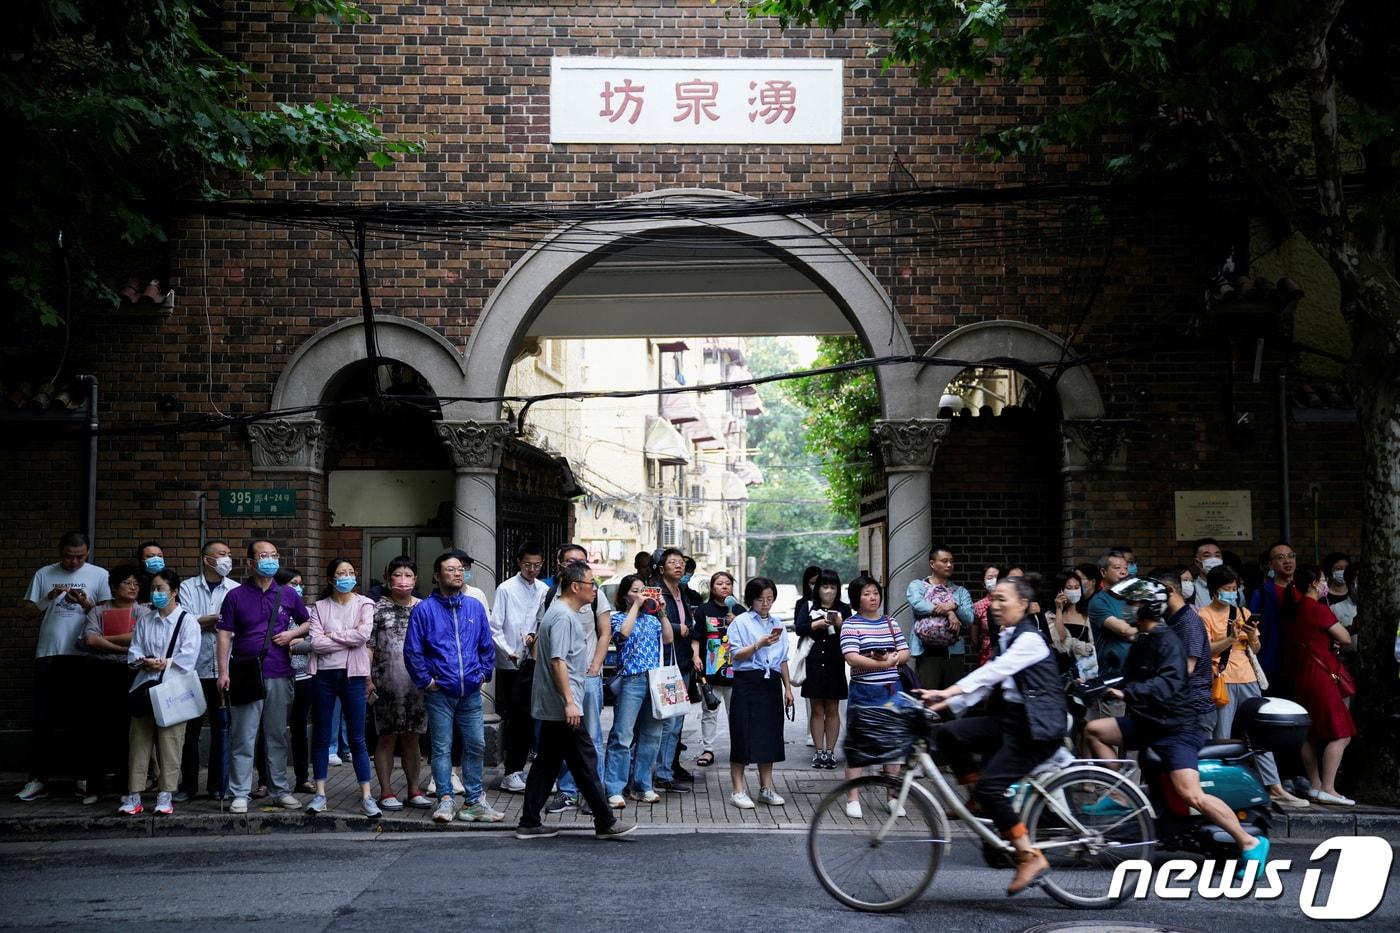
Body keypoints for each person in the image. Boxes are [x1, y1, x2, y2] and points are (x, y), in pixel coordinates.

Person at [1084, 578, 1271, 880]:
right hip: (1149, 723)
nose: (1127, 609)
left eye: (1131, 604)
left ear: (1147, 607)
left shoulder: (1167, 640)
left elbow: (1168, 683)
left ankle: (1249, 842)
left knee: (1191, 794)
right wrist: (1096, 685)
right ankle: (1121, 793)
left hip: (1175, 730)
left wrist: (1127, 694)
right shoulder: (1143, 639)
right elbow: (1132, 678)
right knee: (1095, 730)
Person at [919, 575, 1069, 896]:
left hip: (1036, 729)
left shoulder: (1031, 639)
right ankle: (977, 799)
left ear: (1024, 605)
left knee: (993, 786)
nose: (995, 605)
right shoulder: (1008, 637)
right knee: (948, 734)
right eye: (994, 598)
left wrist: (948, 690)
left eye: (1003, 599)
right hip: (1010, 721)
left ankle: (1028, 855)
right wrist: (943, 701)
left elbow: (992, 672)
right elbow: (985, 685)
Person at [515, 560, 637, 840]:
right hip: (563, 707)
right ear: (574, 587)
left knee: (548, 763)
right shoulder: (563, 616)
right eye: (590, 584)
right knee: (584, 761)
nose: (595, 589)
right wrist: (570, 701)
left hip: (558, 706)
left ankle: (530, 821)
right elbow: (558, 662)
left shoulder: (561, 614)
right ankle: (605, 820)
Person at [404, 550, 503, 824]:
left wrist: (483, 674)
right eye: (450, 569)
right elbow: (413, 651)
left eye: (460, 569)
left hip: (470, 691)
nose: (457, 573)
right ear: (437, 576)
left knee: (476, 745)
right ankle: (445, 799)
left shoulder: (473, 606)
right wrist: (427, 682)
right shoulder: (424, 610)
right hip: (440, 693)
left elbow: (486, 644)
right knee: (441, 747)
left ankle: (474, 802)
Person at [1199, 564, 1309, 809]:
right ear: (1215, 591)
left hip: (1248, 677)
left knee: (1261, 735)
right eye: (1227, 588)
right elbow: (1205, 651)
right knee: (1222, 736)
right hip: (1222, 680)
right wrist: (1229, 638)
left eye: (1234, 587)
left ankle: (1275, 787)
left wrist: (1251, 636)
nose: (1232, 592)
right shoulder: (1203, 615)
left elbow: (1255, 649)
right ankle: (1221, 789)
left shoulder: (1243, 611)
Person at [216, 539, 309, 814]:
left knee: (277, 734)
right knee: (244, 735)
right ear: (250, 563)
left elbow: (307, 622)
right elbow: (223, 634)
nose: (269, 559)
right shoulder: (235, 596)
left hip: (280, 671)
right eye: (263, 555)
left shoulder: (288, 594)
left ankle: (280, 790)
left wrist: (292, 634)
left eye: (273, 555)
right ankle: (240, 792)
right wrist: (223, 672)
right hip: (245, 672)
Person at [18, 531, 111, 802]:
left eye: (80, 557)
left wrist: (84, 602)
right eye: (68, 557)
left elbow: (108, 616)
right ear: (60, 553)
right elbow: (26, 614)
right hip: (49, 653)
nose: (73, 562)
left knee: (84, 719)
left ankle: (83, 777)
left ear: (88, 553)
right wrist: (49, 597)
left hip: (85, 655)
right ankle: (37, 779)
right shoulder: (44, 573)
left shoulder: (98, 575)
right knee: (43, 717)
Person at [537, 543, 612, 817]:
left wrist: (595, 665)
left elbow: (605, 633)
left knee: (587, 741)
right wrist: (567, 699)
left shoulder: (592, 598)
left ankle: (594, 800)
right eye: (571, 561)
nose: (594, 587)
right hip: (565, 687)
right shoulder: (555, 605)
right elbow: (555, 657)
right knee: (568, 750)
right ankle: (577, 798)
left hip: (585, 680)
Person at [120, 568, 201, 816]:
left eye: (160, 589)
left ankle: (166, 795)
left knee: (171, 742)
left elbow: (188, 657)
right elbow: (134, 652)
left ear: (174, 592)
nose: (155, 593)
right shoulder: (146, 620)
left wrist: (164, 662)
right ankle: (134, 795)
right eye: (153, 589)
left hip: (173, 689)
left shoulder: (187, 620)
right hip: (145, 687)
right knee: (139, 742)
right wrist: (144, 661)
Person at [304, 558, 377, 816]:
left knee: (357, 737)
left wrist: (332, 636)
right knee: (323, 736)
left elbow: (363, 636)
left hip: (354, 675)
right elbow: (315, 643)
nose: (347, 576)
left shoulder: (365, 604)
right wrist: (346, 637)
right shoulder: (320, 607)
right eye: (341, 573)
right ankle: (320, 794)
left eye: (350, 572)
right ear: (330, 579)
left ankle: (367, 795)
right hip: (323, 674)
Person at [1285, 565, 1357, 806]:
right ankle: (1329, 788)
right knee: (1342, 734)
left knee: (1310, 734)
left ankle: (1315, 785)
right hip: (1322, 677)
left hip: (1303, 676)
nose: (1326, 583)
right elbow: (1345, 638)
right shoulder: (1317, 609)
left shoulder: (1295, 610)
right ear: (1315, 584)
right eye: (1323, 580)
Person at [839, 574, 909, 818]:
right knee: (859, 743)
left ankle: (892, 796)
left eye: (875, 593)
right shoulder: (850, 624)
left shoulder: (890, 622)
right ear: (856, 598)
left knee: (893, 743)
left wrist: (892, 659)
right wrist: (881, 663)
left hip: (891, 690)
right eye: (866, 593)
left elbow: (905, 651)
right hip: (864, 692)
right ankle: (853, 797)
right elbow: (851, 657)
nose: (872, 597)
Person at [175, 539, 239, 801]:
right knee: (189, 730)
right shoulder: (187, 587)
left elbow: (238, 624)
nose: (227, 558)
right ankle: (188, 785)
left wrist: (206, 621)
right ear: (207, 559)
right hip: (193, 668)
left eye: (229, 554)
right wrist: (213, 620)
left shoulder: (236, 589)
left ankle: (218, 785)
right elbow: (184, 620)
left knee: (222, 728)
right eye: (222, 554)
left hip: (225, 668)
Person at [602, 573, 671, 808]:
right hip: (631, 681)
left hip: (655, 681)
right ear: (624, 595)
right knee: (622, 736)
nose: (641, 594)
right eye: (635, 590)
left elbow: (669, 638)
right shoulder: (616, 617)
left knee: (652, 735)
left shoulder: (652, 620)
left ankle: (642, 786)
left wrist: (661, 611)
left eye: (644, 590)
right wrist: (636, 606)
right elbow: (623, 633)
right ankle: (614, 787)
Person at [725, 577, 792, 809]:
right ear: (750, 599)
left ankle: (766, 787)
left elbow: (783, 659)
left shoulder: (778, 624)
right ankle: (738, 790)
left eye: (769, 599)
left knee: (769, 735)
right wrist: (758, 645)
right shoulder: (740, 622)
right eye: (760, 599)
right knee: (742, 733)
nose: (765, 604)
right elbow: (735, 655)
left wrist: (788, 688)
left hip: (770, 682)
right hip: (747, 681)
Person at [79, 564, 143, 805]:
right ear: (115, 586)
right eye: (127, 583)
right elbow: (90, 639)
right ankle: (94, 787)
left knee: (127, 730)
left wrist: (105, 640)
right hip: (99, 672)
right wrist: (123, 647)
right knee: (96, 728)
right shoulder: (98, 610)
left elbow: (139, 637)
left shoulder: (143, 610)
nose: (132, 587)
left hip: (130, 673)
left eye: (136, 584)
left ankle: (126, 786)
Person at [370, 557, 431, 810]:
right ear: (388, 578)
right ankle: (386, 791)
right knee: (386, 738)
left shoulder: (425, 608)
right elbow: (369, 647)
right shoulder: (376, 609)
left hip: (418, 685)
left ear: (416, 580)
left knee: (412, 738)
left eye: (408, 575)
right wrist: (367, 679)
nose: (403, 580)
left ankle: (414, 790)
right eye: (398, 575)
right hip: (386, 683)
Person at [489, 540, 548, 794]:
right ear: (518, 562)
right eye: (527, 565)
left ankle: (520, 769)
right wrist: (509, 652)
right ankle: (511, 771)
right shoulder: (506, 589)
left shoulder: (544, 589)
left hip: (534, 661)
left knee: (530, 718)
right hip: (511, 663)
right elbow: (495, 627)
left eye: (536, 565)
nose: (532, 570)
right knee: (515, 719)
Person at [653, 547, 698, 792]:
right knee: (667, 723)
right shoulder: (657, 592)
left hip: (682, 663)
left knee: (677, 722)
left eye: (681, 562)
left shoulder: (682, 593)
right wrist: (676, 625)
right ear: (662, 568)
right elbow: (651, 618)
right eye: (673, 562)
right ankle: (660, 774)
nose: (679, 566)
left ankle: (666, 771)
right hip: (665, 665)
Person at [1149, 567, 1214, 738]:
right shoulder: (1171, 620)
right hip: (1177, 705)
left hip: (1194, 707)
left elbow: (1187, 668)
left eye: (1154, 593)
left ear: (1169, 590)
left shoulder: (1188, 622)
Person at [794, 568, 849, 769]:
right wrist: (816, 624)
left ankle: (830, 752)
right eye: (825, 586)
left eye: (832, 587)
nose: (828, 591)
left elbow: (851, 633)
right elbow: (799, 627)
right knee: (816, 708)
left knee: (833, 708)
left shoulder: (844, 608)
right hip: (814, 661)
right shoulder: (807, 605)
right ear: (818, 588)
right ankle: (819, 752)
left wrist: (841, 624)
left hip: (835, 661)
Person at [906, 545, 973, 691]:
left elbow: (969, 618)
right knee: (928, 699)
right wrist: (948, 612)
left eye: (951, 561)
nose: (949, 565)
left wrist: (955, 607)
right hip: (926, 653)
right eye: (944, 561)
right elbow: (918, 605)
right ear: (932, 563)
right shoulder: (918, 586)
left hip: (953, 654)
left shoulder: (960, 592)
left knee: (952, 701)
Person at [694, 571, 737, 768]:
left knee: (735, 712)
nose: (724, 586)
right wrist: (695, 656)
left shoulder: (740, 611)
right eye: (719, 583)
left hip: (734, 669)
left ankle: (738, 747)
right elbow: (696, 637)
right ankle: (708, 749)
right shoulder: (703, 610)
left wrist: (735, 623)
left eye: (727, 583)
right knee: (709, 711)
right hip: (710, 669)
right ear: (712, 588)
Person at [279, 568, 316, 793]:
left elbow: (316, 642)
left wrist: (292, 642)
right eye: (293, 583)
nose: (298, 588)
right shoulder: (275, 609)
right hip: (277, 677)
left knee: (300, 729)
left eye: (300, 583)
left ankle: (302, 778)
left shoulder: (306, 611)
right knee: (272, 729)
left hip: (303, 677)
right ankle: (266, 781)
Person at [1246, 541, 1295, 684]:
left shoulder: (1304, 591)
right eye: (1280, 557)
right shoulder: (1261, 593)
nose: (1287, 561)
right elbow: (1252, 629)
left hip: (1300, 663)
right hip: (1271, 661)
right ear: (1270, 564)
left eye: (1291, 556)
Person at [1044, 569, 1096, 680]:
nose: (1074, 591)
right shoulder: (1050, 616)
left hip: (1085, 672)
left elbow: (1093, 645)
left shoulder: (1087, 615)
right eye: (1069, 588)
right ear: (1060, 590)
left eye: (1077, 587)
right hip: (1060, 672)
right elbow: (1060, 639)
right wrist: (1059, 609)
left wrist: (1084, 648)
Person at [970, 564, 1001, 667]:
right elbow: (974, 640)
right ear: (983, 582)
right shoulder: (978, 606)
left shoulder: (1009, 603)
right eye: (990, 578)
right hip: (986, 656)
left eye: (997, 577)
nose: (994, 580)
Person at [1321, 553, 1357, 632]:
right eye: (1338, 568)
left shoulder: (1355, 594)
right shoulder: (1323, 597)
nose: (1343, 572)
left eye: (1346, 568)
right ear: (1329, 571)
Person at [1191, 538, 1225, 610]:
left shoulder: (1233, 590)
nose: (1214, 559)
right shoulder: (1190, 591)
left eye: (1217, 555)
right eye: (1207, 556)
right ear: (1197, 562)